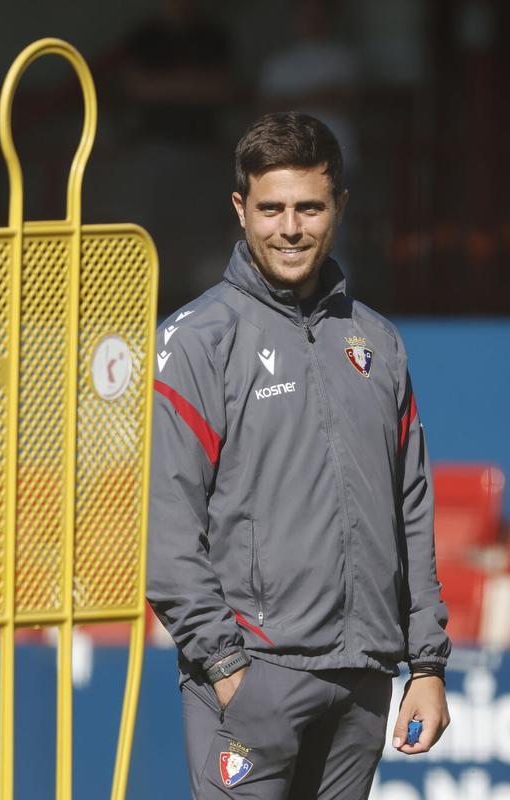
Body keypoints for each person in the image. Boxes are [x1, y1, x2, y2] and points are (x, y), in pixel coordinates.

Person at [146, 112, 450, 798]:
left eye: (309, 207)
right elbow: (165, 531)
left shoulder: (379, 342)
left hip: (365, 684)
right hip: (255, 675)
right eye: (272, 208)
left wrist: (426, 668)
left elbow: (412, 511)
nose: (290, 227)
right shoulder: (197, 341)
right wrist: (229, 669)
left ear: (338, 205)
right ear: (240, 208)